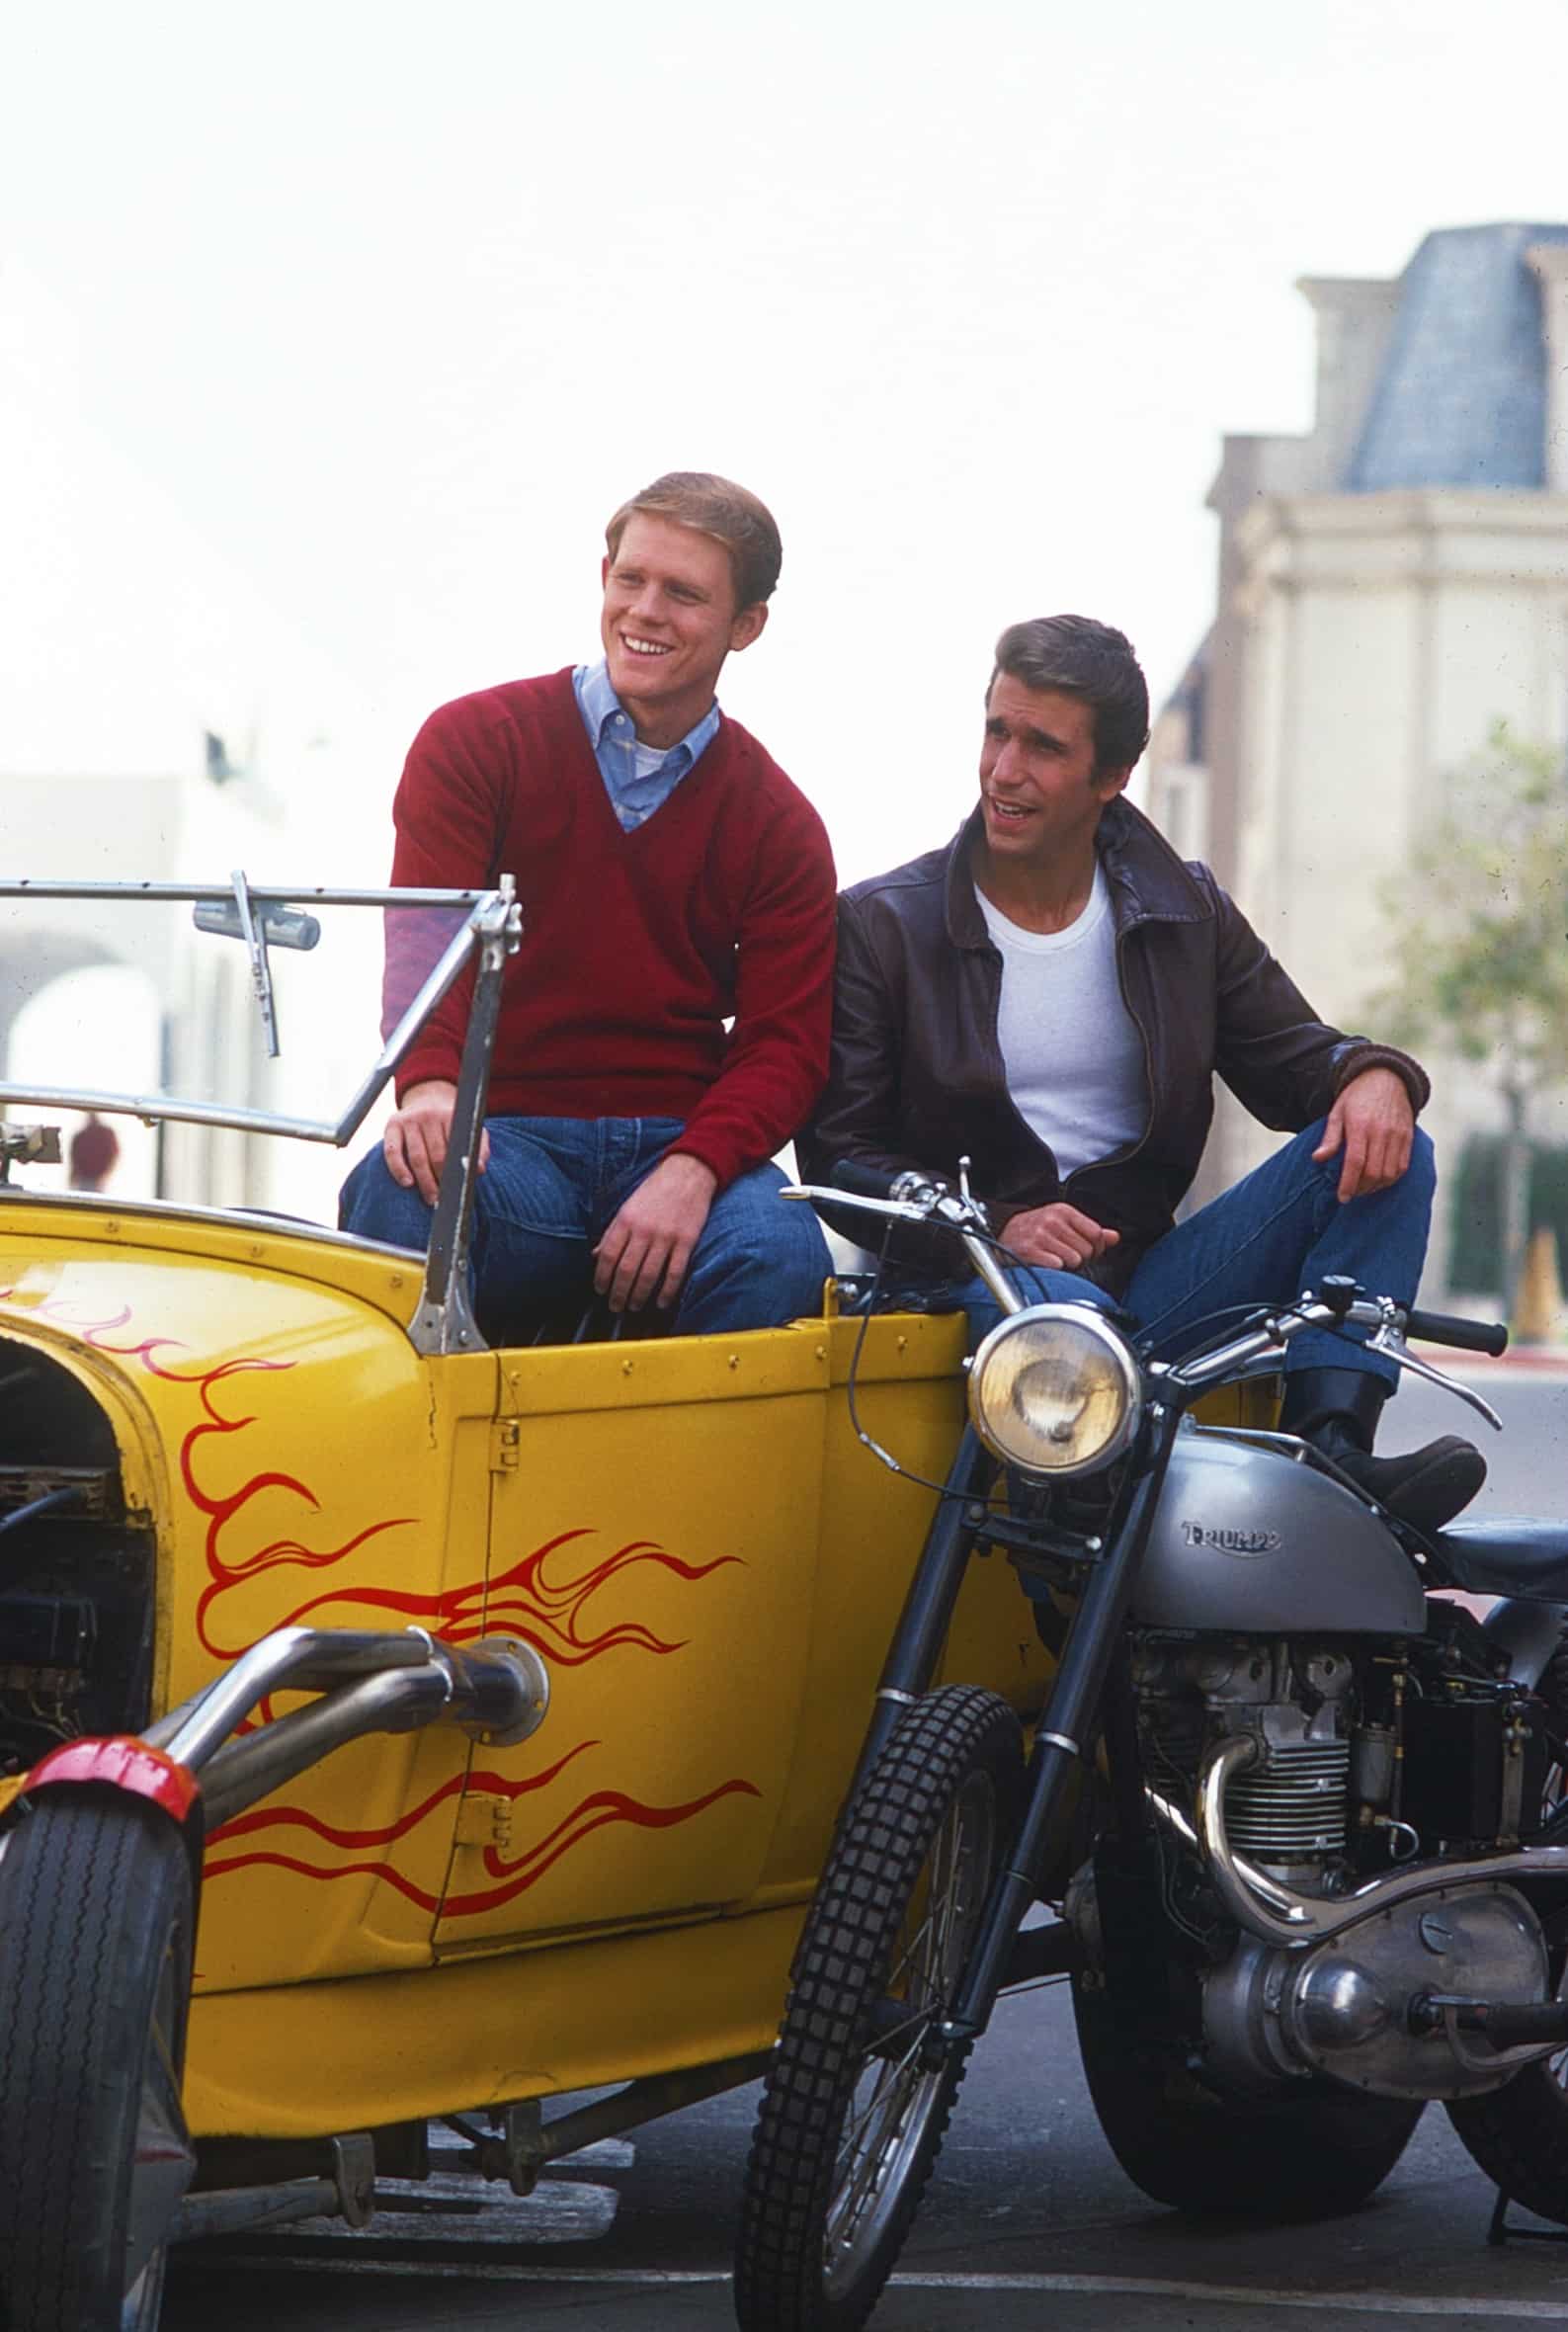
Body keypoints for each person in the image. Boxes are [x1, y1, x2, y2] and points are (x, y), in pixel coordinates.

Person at [802, 613, 1483, 1532]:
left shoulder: (1182, 910)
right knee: (1069, 1316)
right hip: (974, 1291)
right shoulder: (884, 923)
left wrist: (1372, 1075)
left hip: (1147, 1291)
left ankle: (1334, 1458)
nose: (1004, 770)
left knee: (1384, 1146)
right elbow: (839, 1158)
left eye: (1042, 747)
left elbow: (1294, 1063)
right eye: (997, 731)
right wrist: (1000, 1223)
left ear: (1113, 776)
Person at [340, 471, 835, 1342]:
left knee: (780, 1254)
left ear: (745, 625)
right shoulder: (474, 744)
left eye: (683, 594)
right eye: (629, 579)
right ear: (603, 574)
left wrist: (696, 1167)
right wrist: (428, 1090)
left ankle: (688, 1482)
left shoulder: (779, 824)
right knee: (396, 1187)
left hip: (679, 1147)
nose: (644, 611)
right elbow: (429, 945)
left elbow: (783, 1046)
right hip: (506, 1141)